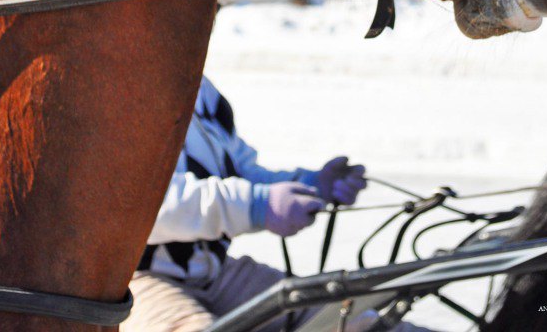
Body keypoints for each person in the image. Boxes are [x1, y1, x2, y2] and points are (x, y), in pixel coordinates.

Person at [121, 75, 367, 332]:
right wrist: (257, 204)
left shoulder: (200, 88)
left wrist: (308, 185)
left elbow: (239, 170)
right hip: (132, 279)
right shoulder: (117, 80)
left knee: (352, 317)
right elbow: (137, 205)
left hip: (215, 273)